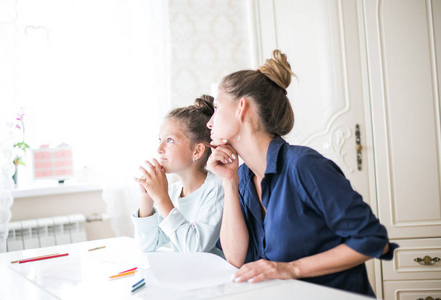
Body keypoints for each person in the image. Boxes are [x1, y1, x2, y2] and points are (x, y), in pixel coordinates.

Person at [205, 50, 398, 296]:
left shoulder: (304, 166)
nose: (209, 123)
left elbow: (375, 242)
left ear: (241, 108)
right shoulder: (242, 178)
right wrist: (229, 182)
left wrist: (291, 269)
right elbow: (234, 258)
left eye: (217, 108)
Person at [132, 95, 224, 257]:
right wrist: (147, 198)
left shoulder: (216, 189)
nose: (159, 148)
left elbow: (195, 247)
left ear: (197, 151)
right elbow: (147, 245)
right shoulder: (173, 191)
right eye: (160, 139)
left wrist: (162, 199)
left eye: (170, 140)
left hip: (212, 277)